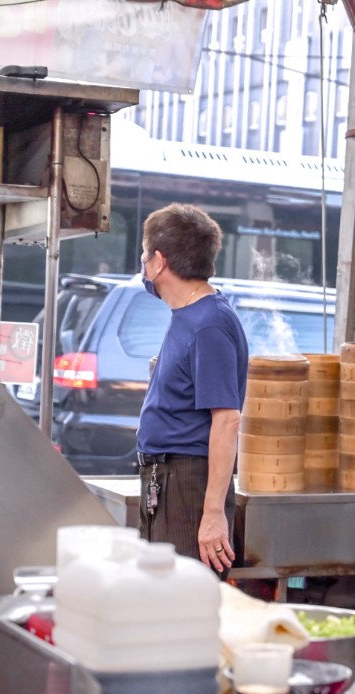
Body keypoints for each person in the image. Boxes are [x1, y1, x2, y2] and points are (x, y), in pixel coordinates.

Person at [136, 203, 249, 580]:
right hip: (166, 481)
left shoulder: (209, 324)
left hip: (189, 485)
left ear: (159, 261)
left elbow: (227, 420)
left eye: (143, 254)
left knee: (182, 603)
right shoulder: (187, 315)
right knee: (160, 602)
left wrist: (213, 513)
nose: (142, 263)